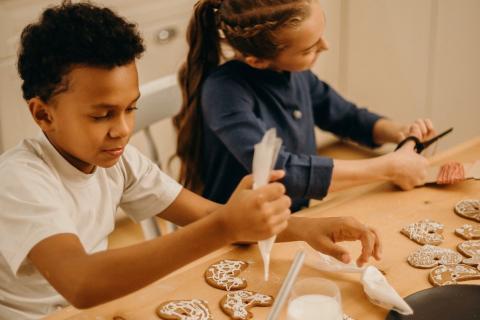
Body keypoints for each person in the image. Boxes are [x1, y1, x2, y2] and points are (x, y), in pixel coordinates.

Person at [0, 2, 380, 319]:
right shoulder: (20, 180)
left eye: (130, 109)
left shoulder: (121, 163)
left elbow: (206, 215)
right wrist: (225, 228)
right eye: (101, 115)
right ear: (43, 114)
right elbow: (81, 282)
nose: (122, 129)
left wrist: (306, 229)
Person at [173, 0, 436, 212]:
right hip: (236, 232)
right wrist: (386, 168)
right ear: (257, 61)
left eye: (321, 36)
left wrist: (399, 132)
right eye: (310, 48)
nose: (326, 46)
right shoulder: (224, 91)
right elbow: (279, 170)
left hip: (294, 217)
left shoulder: (297, 75)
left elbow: (346, 116)